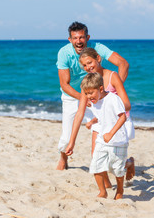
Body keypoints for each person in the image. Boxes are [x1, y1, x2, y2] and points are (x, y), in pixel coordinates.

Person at [56, 21, 129, 170]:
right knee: (66, 135)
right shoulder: (64, 53)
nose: (79, 41)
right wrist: (83, 98)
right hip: (72, 95)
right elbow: (64, 84)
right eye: (75, 38)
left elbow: (123, 64)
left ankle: (109, 162)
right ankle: (63, 158)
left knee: (103, 129)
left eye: (82, 37)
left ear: (87, 37)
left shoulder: (97, 48)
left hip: (96, 94)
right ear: (70, 40)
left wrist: (115, 90)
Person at [66, 72, 129, 200]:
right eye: (86, 94)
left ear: (100, 89)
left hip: (118, 140)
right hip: (102, 139)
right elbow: (102, 115)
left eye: (91, 93)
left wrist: (111, 134)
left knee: (117, 169)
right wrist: (92, 122)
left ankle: (120, 190)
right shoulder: (95, 101)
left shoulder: (113, 99)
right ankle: (103, 192)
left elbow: (122, 117)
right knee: (96, 165)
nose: (89, 97)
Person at [79, 47, 135, 182]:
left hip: (116, 121)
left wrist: (110, 106)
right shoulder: (88, 81)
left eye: (89, 63)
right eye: (84, 65)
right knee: (96, 157)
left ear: (98, 59)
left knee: (113, 161)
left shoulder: (112, 76)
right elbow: (81, 110)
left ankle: (129, 163)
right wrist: (71, 140)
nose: (87, 67)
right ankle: (107, 187)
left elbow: (127, 105)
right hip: (99, 122)